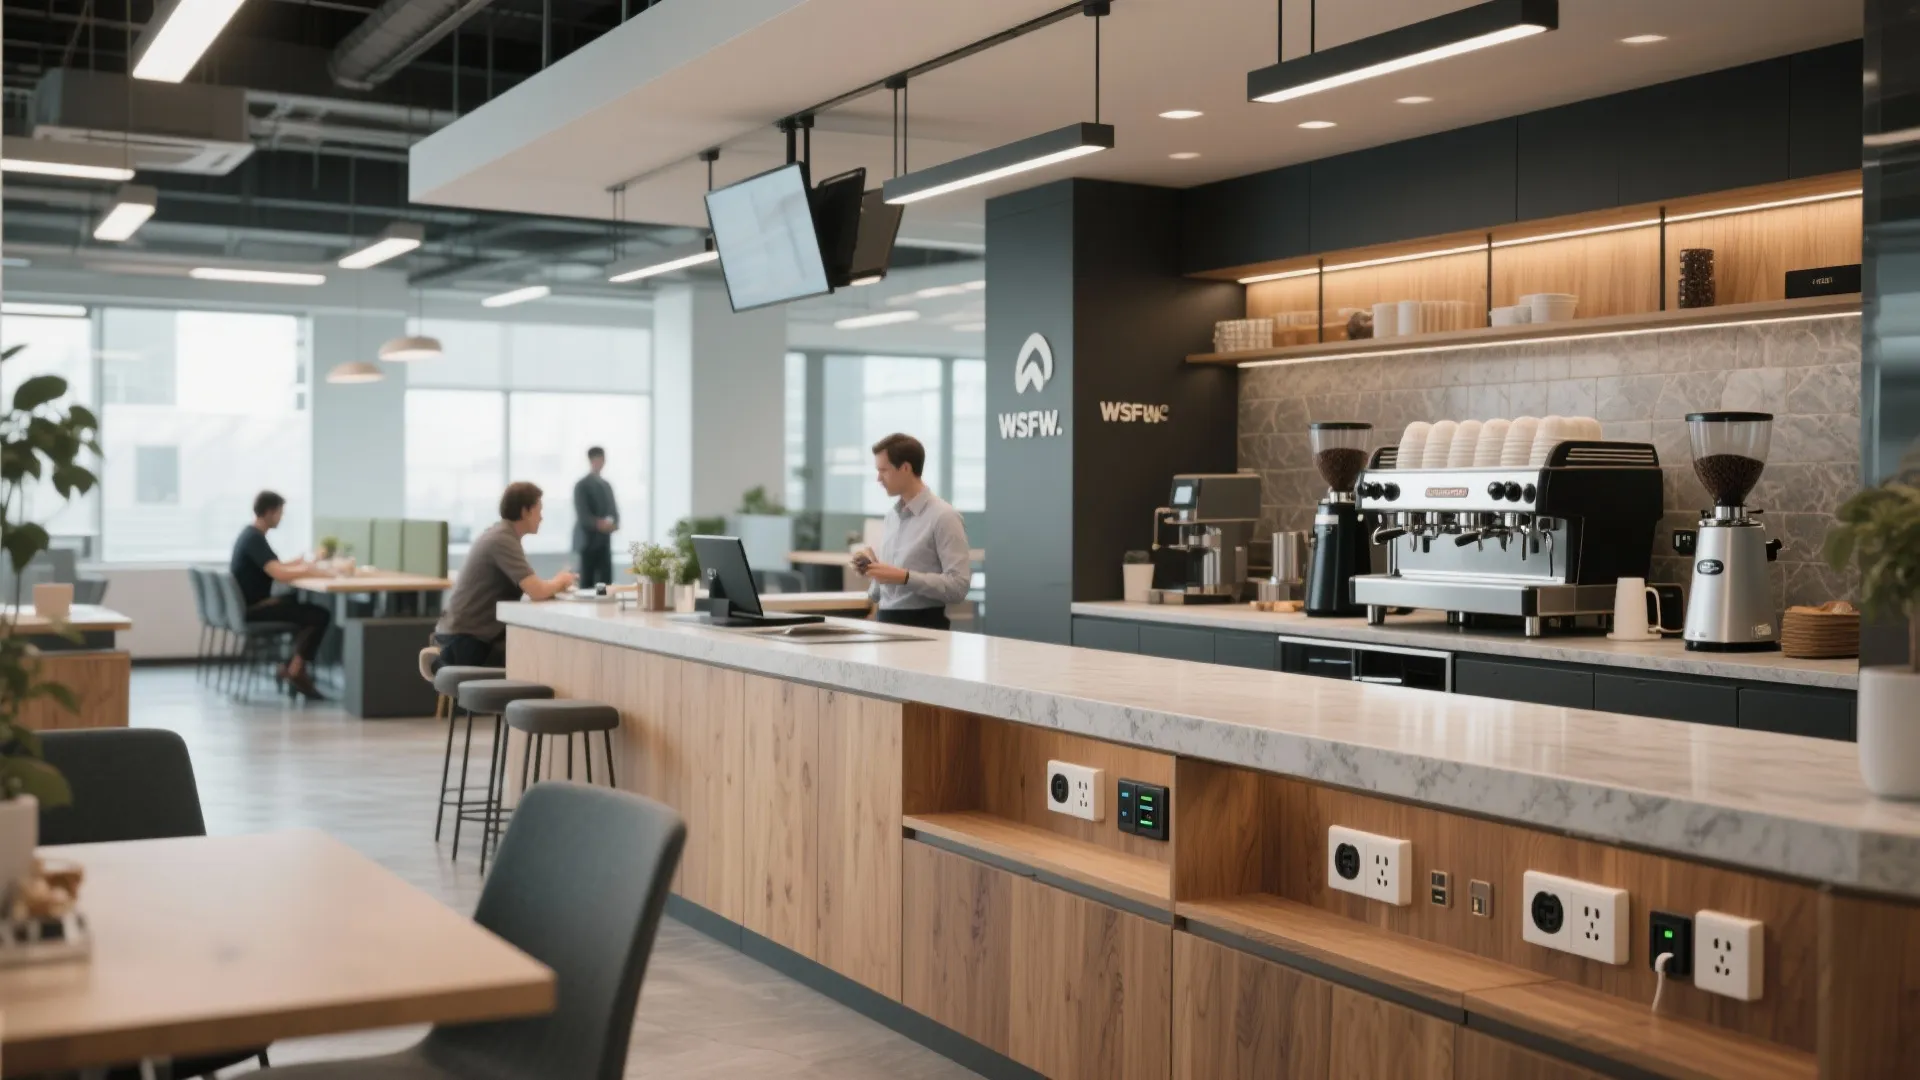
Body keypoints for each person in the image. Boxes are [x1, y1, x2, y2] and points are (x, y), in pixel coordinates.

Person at [433, 481, 578, 669]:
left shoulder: (501, 534)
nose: (541, 518)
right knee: (539, 659)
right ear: (525, 511)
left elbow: (533, 587)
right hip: (467, 641)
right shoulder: (502, 540)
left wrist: (553, 584)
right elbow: (537, 591)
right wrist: (561, 580)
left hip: (465, 635)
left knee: (534, 653)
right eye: (539, 510)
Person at [854, 433, 972, 631]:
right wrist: (873, 570)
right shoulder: (891, 517)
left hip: (925, 627)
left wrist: (905, 577)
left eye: (883, 470)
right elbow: (880, 593)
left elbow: (958, 587)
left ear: (906, 468)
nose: (878, 478)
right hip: (886, 624)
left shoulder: (944, 517)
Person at [230, 490, 330, 700]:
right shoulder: (254, 539)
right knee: (319, 615)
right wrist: (310, 570)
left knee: (296, 603)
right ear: (269, 512)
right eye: (280, 513)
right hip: (255, 609)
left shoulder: (250, 535)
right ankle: (295, 670)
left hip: (249, 606)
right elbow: (279, 574)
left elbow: (275, 566)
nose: (281, 518)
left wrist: (300, 563)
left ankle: (290, 666)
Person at [572, 446, 619, 590]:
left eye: (602, 459)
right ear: (590, 460)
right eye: (597, 459)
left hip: (604, 544)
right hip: (587, 544)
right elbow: (583, 515)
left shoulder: (606, 486)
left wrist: (613, 524)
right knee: (587, 584)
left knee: (605, 585)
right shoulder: (581, 485)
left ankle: (604, 605)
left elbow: (614, 513)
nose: (600, 463)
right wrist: (600, 524)